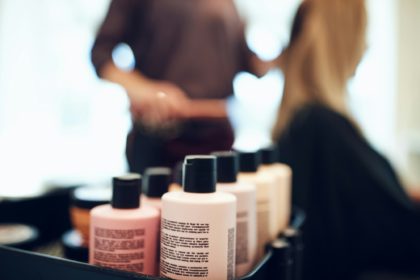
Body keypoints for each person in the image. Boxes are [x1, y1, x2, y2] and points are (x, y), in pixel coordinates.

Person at [271, 0, 420, 279]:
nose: (366, 46)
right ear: (343, 38)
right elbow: (397, 232)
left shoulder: (301, 125)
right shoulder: (323, 128)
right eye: (363, 32)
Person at [91, 0, 270, 174]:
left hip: (218, 139)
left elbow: (247, 61)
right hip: (162, 141)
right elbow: (101, 54)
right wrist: (145, 89)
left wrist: (290, 52)